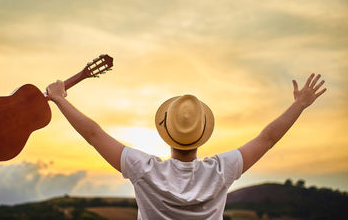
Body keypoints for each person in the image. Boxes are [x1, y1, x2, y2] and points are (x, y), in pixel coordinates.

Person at [46, 73, 326, 220]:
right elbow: (267, 139)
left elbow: (94, 134)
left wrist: (60, 99)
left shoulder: (142, 169)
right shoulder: (221, 170)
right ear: (203, 132)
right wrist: (299, 104)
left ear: (165, 132)